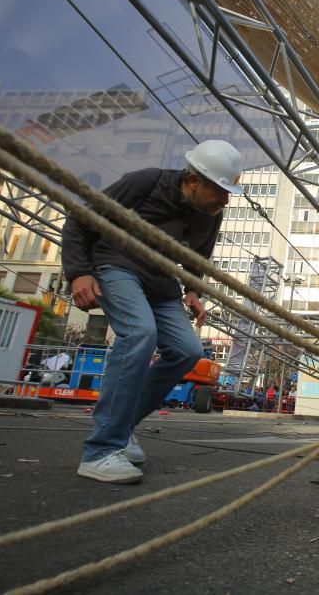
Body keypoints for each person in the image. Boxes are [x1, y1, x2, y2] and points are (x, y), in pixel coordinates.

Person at [63, 140, 243, 484]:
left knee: (187, 351)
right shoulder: (145, 182)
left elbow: (197, 258)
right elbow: (80, 219)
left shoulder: (211, 214)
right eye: (220, 190)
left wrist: (193, 290)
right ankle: (100, 450)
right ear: (193, 180)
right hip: (117, 265)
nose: (225, 199)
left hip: (161, 283)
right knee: (139, 333)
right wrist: (78, 272)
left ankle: (123, 427)